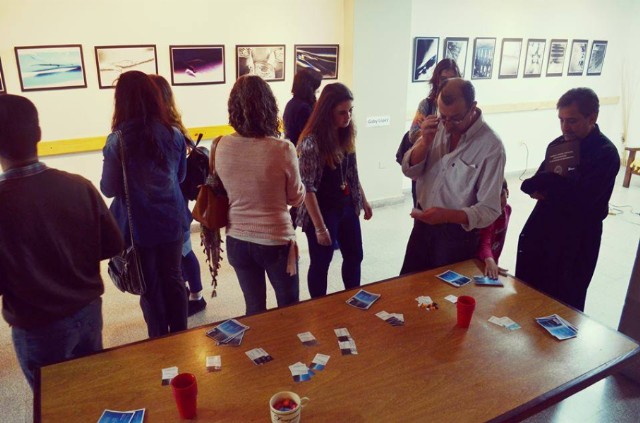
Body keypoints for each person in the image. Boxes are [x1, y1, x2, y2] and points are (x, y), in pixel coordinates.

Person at [0, 94, 123, 389]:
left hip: (37, 324)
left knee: (52, 403)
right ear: (39, 134)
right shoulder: (79, 186)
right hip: (88, 310)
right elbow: (112, 245)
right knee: (92, 387)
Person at [101, 70, 189, 337]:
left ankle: (159, 342)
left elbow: (108, 188)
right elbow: (181, 176)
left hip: (140, 228)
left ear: (121, 101)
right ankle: (182, 337)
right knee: (174, 280)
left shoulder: (118, 140)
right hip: (173, 222)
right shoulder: (173, 134)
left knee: (149, 286)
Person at [516, 88, 620, 311]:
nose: (565, 128)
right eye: (561, 120)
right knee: (529, 298)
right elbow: (538, 182)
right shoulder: (558, 145)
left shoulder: (605, 153)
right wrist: (537, 186)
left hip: (576, 241)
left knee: (563, 305)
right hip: (544, 230)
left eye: (572, 121)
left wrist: (550, 183)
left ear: (592, 118)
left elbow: (583, 201)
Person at [216, 75, 305, 315]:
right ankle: (289, 351)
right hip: (275, 240)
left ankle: (259, 351)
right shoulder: (282, 148)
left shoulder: (220, 145)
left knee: (254, 309)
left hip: (237, 239)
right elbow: (295, 198)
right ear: (269, 107)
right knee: (288, 309)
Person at [400, 78, 506, 274]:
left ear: (473, 107)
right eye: (443, 116)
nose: (447, 124)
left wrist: (447, 216)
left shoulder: (491, 146)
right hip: (422, 227)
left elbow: (490, 209)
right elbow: (409, 170)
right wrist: (424, 143)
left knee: (444, 298)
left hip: (457, 236)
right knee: (408, 288)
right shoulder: (436, 127)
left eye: (455, 118)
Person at [296, 82, 373, 298]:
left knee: (355, 255)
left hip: (346, 206)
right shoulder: (311, 143)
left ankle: (353, 298)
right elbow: (307, 188)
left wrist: (363, 201)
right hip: (321, 211)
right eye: (341, 112)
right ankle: (319, 307)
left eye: (350, 111)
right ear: (327, 112)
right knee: (321, 262)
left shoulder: (346, 134)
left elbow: (352, 173)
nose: (347, 117)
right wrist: (320, 228)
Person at [149, 74, 206, 316]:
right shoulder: (174, 127)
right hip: (175, 202)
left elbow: (178, 175)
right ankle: (188, 292)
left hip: (176, 204)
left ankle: (197, 296)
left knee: (184, 251)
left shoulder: (170, 132)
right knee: (181, 252)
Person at [397, 59, 461, 206]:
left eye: (453, 79)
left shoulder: (462, 108)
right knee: (422, 208)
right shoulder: (427, 105)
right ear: (437, 80)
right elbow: (412, 135)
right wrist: (427, 133)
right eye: (444, 79)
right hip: (426, 167)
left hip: (451, 170)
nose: (449, 83)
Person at [477, 180, 511, 279]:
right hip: (479, 260)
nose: (497, 202)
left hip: (492, 259)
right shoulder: (489, 215)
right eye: (493, 198)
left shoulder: (508, 209)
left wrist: (493, 262)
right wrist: (489, 260)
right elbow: (485, 241)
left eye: (501, 195)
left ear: (507, 192)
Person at [283, 68, 322, 145]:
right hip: (302, 151)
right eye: (316, 87)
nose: (318, 90)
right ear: (310, 87)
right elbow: (310, 136)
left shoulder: (291, 103)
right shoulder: (304, 108)